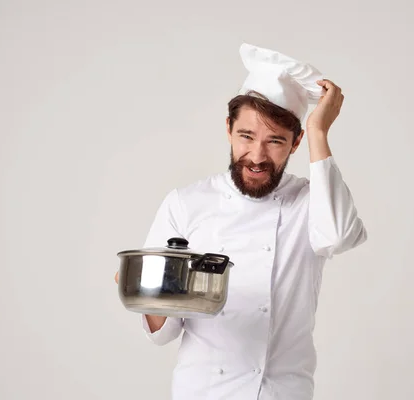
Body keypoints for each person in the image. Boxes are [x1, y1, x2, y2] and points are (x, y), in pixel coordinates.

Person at [114, 43, 368, 399]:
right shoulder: (186, 204)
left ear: (295, 144)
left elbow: (340, 236)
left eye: (275, 141)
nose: (257, 156)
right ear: (228, 128)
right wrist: (147, 292)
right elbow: (164, 332)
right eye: (246, 136)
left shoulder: (310, 201)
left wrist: (318, 132)